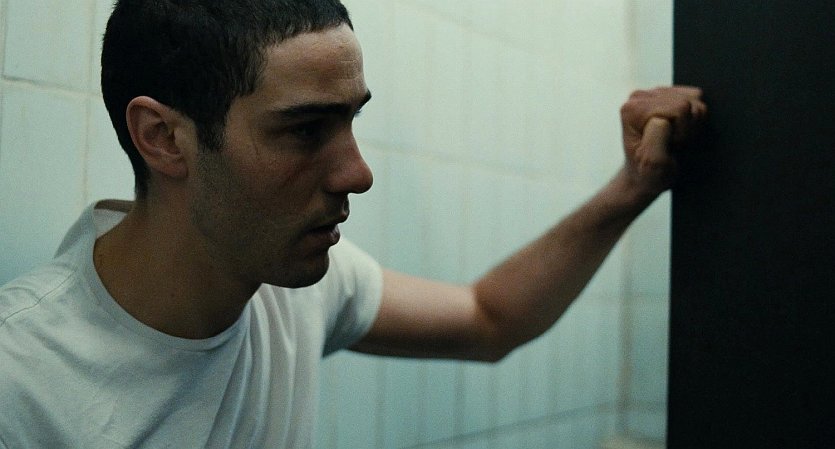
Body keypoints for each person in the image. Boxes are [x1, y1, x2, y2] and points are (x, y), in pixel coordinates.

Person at [0, 0, 706, 447]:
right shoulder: (23, 385)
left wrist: (633, 187)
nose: (358, 173)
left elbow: (489, 318)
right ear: (163, 138)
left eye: (350, 120)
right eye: (305, 129)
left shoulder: (290, 285)